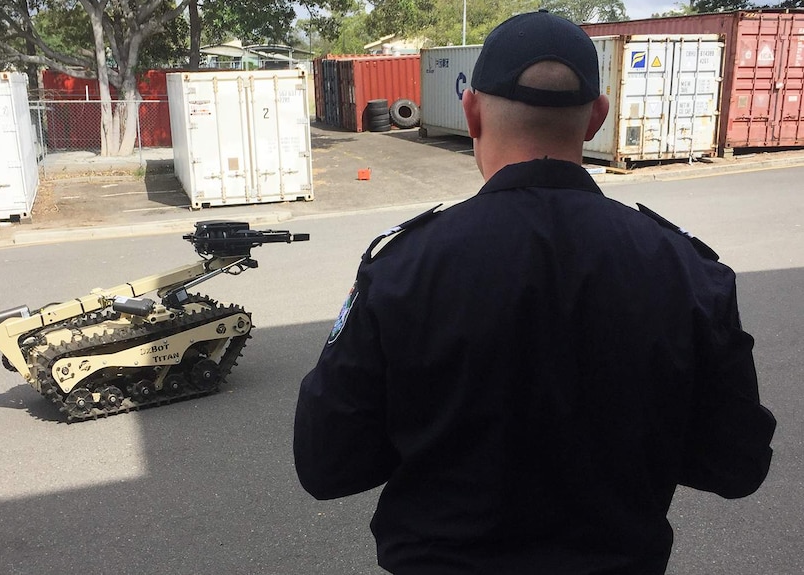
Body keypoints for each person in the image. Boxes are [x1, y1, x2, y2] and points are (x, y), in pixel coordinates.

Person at [293, 10, 776, 574]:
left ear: (471, 111)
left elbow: (326, 467)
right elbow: (736, 466)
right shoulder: (686, 269)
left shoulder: (404, 267)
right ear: (597, 117)